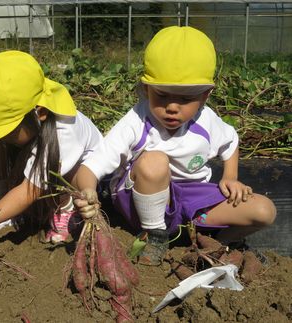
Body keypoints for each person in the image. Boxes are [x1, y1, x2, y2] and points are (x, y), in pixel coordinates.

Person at [74, 26, 277, 266]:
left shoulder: (207, 120)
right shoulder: (136, 121)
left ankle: (219, 242)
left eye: (184, 98)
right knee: (155, 161)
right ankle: (155, 236)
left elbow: (231, 141)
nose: (172, 107)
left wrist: (230, 176)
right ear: (146, 89)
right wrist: (87, 191)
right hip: (141, 201)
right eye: (162, 95)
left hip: (191, 199)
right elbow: (90, 168)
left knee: (264, 211)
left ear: (205, 95)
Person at [0, 50, 102, 243]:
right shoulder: (1, 110)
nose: (4, 135)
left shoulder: (65, 131)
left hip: (76, 185)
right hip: (36, 183)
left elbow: (28, 191)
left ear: (39, 112)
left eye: (10, 129)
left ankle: (65, 210)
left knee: (71, 167)